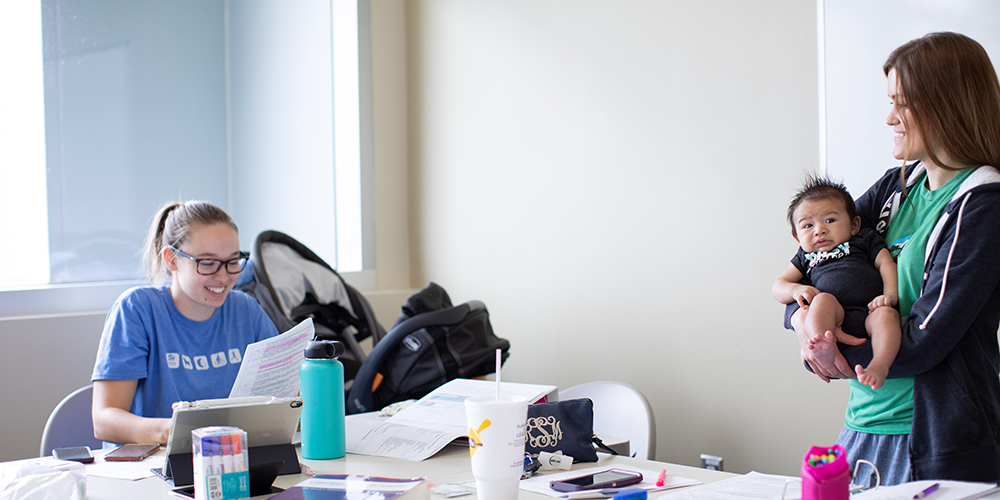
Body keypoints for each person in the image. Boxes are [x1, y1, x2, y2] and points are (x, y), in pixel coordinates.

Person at [787, 32, 1000, 485]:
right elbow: (812, 262)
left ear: (946, 103)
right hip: (862, 426)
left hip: (933, 441)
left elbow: (927, 338)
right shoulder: (893, 188)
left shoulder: (983, 204)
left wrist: (834, 350)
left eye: (900, 103)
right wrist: (806, 329)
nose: (889, 118)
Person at [91, 201, 279, 445]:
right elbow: (104, 421)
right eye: (208, 263)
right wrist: (174, 431)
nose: (223, 277)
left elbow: (283, 397)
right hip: (153, 467)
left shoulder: (247, 310)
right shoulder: (137, 310)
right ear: (171, 259)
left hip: (232, 459)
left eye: (233, 262)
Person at [773, 177, 900, 390]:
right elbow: (779, 286)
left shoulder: (863, 239)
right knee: (822, 300)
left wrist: (889, 294)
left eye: (830, 220)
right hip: (835, 317)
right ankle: (824, 347)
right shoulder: (805, 257)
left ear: (854, 225)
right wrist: (796, 289)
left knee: (887, 315)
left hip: (870, 310)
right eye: (808, 225)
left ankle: (879, 364)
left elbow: (885, 262)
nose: (819, 230)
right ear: (797, 238)